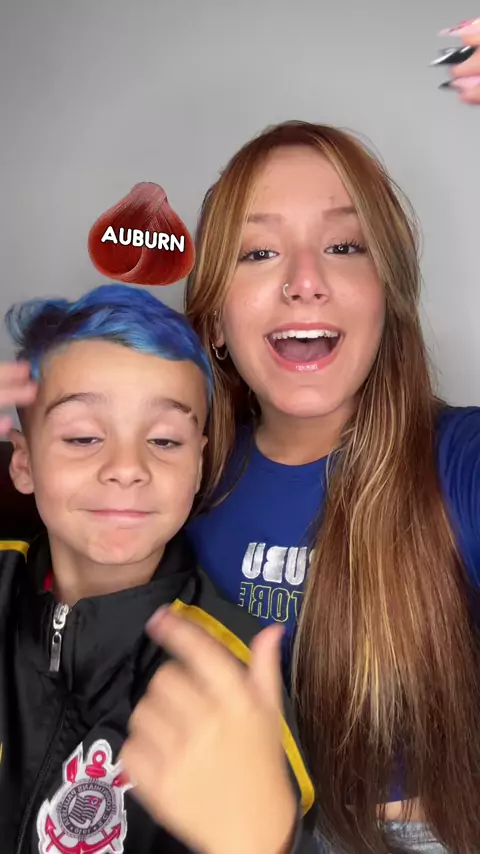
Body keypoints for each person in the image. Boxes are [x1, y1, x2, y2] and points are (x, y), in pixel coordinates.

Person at [1, 26, 479, 854]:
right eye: (260, 252)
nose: (304, 280)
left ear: (386, 296)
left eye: (344, 245)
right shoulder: (180, 471)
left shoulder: (459, 462)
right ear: (216, 319)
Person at [0, 283, 316, 854]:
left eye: (165, 441)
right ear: (22, 461)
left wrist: (263, 839)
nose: (128, 467)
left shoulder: (227, 673)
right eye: (83, 436)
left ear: (198, 465)